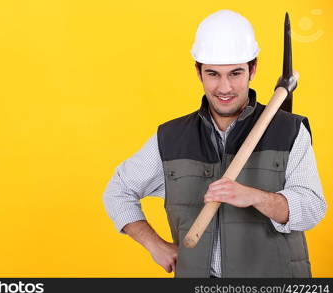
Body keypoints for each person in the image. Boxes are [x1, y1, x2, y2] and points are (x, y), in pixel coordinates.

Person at [103, 9, 326, 278]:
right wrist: (155, 245)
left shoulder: (288, 131)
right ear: (198, 72)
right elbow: (118, 191)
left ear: (252, 69)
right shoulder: (171, 138)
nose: (224, 88)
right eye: (213, 74)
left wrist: (255, 197)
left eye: (235, 73)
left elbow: (312, 209)